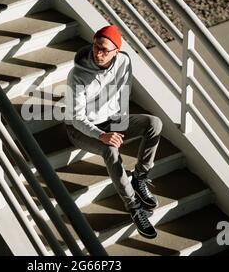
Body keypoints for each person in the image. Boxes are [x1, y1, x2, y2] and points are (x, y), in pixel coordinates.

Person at [64, 25, 163, 239]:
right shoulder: (78, 75)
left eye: (105, 50)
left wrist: (120, 121)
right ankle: (134, 206)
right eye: (96, 47)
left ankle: (140, 177)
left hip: (111, 119)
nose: (98, 53)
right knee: (110, 150)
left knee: (154, 124)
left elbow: (123, 92)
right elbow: (76, 117)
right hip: (80, 129)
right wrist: (102, 135)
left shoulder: (124, 62)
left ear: (116, 52)